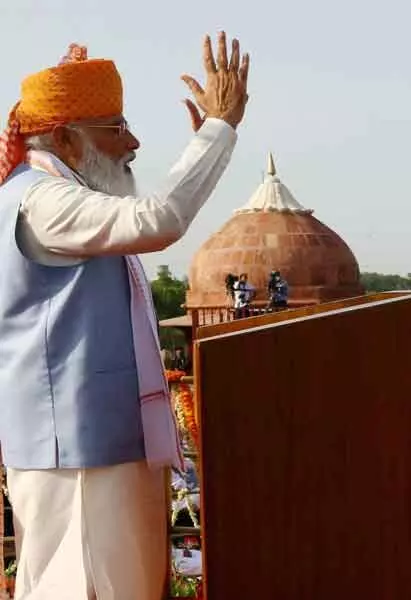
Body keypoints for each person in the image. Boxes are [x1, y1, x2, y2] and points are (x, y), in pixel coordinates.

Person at [0, 32, 250, 599]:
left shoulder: (51, 193)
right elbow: (157, 219)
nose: (132, 142)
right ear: (65, 137)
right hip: (78, 453)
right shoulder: (40, 201)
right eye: (115, 129)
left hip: (96, 445)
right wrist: (219, 131)